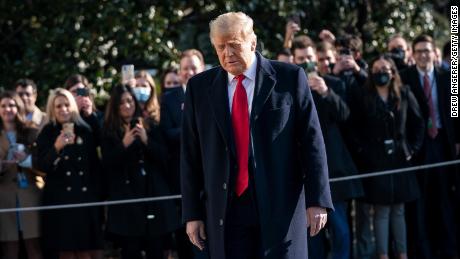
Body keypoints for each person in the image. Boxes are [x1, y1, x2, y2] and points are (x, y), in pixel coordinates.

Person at [181, 12, 333, 259]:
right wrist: (192, 214)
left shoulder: (290, 78)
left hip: (279, 203)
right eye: (221, 47)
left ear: (252, 42)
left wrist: (317, 199)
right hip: (226, 210)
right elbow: (190, 154)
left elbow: (311, 141)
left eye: (234, 45)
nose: (228, 53)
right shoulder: (199, 88)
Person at [355, 55, 424, 259]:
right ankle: (383, 255)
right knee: (381, 211)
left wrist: (412, 149)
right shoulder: (364, 96)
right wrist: (364, 152)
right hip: (376, 160)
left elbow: (418, 122)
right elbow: (355, 128)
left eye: (385, 69)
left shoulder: (404, 92)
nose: (380, 73)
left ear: (393, 72)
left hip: (400, 157)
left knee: (399, 211)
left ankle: (402, 254)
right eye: (376, 69)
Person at [400, 34, 460, 259]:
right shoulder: (405, 78)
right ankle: (423, 251)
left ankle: (449, 249)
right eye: (419, 51)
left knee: (445, 199)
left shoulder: (448, 78)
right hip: (419, 148)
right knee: (421, 202)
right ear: (413, 55)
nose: (424, 55)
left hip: (444, 144)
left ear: (434, 52)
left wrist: (457, 139)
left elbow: (455, 111)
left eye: (427, 50)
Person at [101, 84, 178, 259]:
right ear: (115, 106)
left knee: (157, 251)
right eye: (121, 102)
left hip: (152, 199)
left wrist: (146, 140)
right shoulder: (108, 131)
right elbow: (107, 164)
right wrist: (124, 144)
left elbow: (164, 157)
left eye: (130, 101)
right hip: (127, 205)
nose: (127, 105)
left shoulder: (150, 126)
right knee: (131, 251)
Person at [33, 88, 103, 259]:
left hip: (85, 199)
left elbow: (98, 160)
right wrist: (56, 148)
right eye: (58, 106)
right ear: (52, 109)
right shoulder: (47, 132)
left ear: (73, 106)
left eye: (66, 105)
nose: (63, 109)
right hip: (60, 201)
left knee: (86, 251)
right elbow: (40, 166)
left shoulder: (86, 129)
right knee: (65, 252)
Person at [161, 50, 206, 259]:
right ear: (179, 73)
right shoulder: (169, 99)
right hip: (182, 177)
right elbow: (166, 133)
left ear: (202, 68)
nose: (190, 72)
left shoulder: (214, 92)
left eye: (194, 68)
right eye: (185, 69)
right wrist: (194, 127)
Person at [0, 91, 42, 259]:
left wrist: (26, 160)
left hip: (30, 195)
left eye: (12, 105)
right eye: (3, 106)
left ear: (19, 108)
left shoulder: (31, 131)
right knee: (10, 248)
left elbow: (43, 165)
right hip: (4, 197)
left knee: (34, 247)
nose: (7, 109)